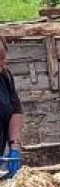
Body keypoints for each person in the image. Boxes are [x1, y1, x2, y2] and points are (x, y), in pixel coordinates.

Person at [0, 38, 23, 179]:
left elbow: (16, 109)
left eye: (4, 57)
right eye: (0, 59)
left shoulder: (5, 76)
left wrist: (15, 145)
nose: (4, 62)